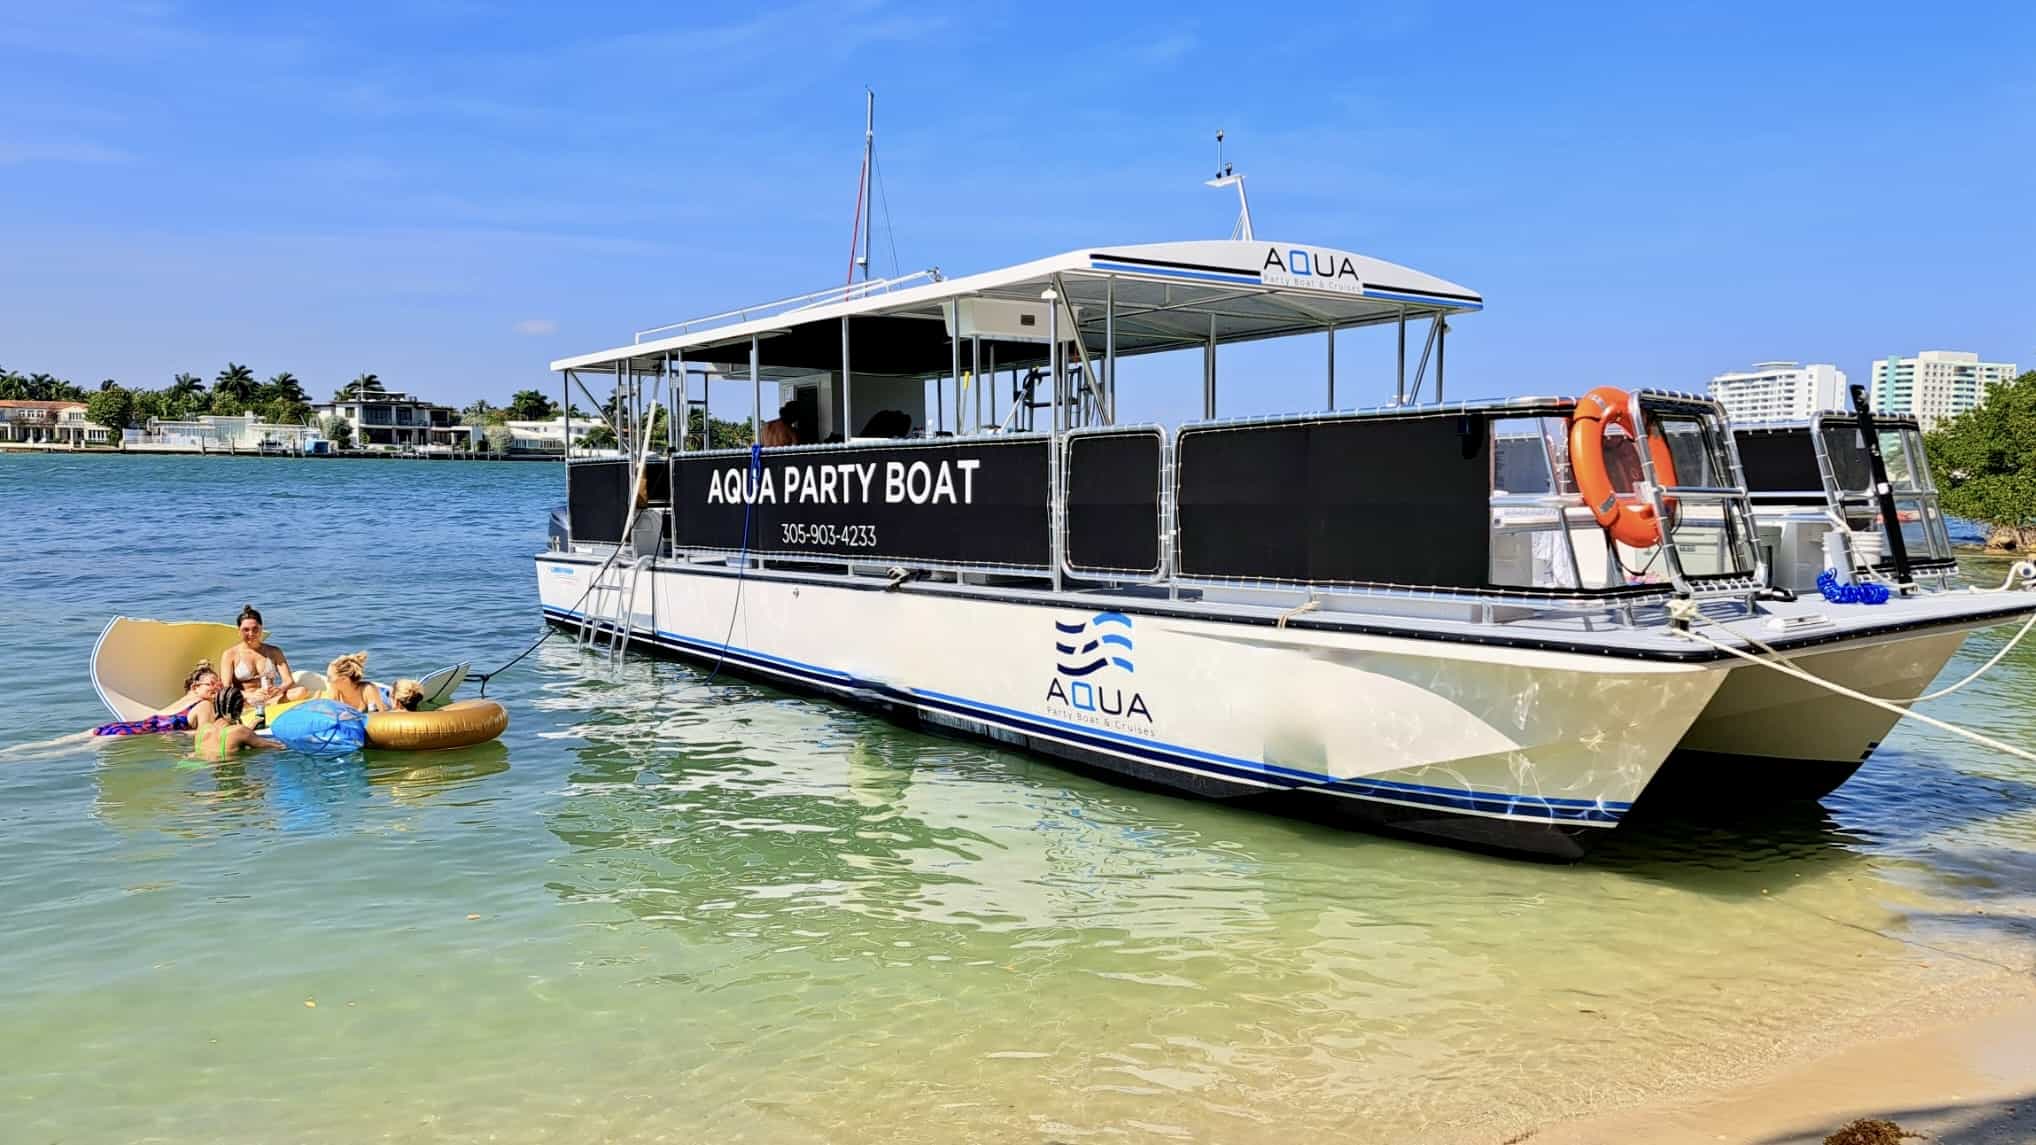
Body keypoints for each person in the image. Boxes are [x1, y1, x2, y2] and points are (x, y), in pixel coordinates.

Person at [218, 604, 310, 716]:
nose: (251, 634)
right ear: (239, 631)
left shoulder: (274, 651)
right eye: (246, 630)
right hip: (246, 699)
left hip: (270, 697)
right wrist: (250, 695)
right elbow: (226, 688)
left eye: (255, 629)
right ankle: (262, 707)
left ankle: (267, 705)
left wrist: (279, 689)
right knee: (233, 700)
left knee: (301, 691)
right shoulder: (230, 654)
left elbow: (288, 680)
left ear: (261, 628)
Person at [92, 661, 223, 736]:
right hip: (126, 734)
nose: (217, 688)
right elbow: (205, 736)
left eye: (219, 684)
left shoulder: (179, 703)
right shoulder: (204, 705)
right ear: (195, 687)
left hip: (120, 727)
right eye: (212, 684)